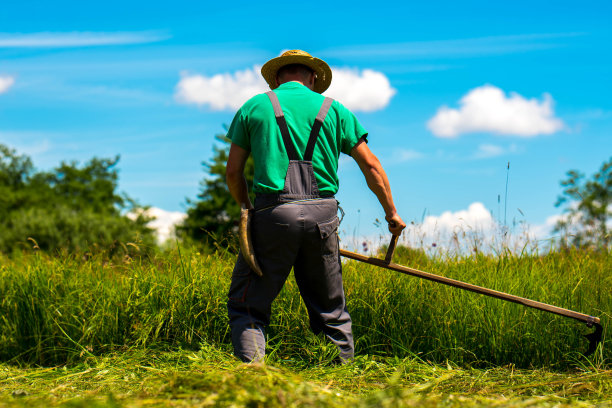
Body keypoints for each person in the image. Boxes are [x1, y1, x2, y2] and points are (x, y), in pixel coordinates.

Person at [225, 50, 406, 363]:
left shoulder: (254, 106)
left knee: (248, 304)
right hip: (323, 216)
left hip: (273, 214)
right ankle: (343, 382)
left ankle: (251, 378)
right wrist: (391, 214)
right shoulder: (334, 110)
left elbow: (233, 172)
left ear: (278, 77)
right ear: (312, 78)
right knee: (330, 310)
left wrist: (246, 209)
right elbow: (372, 166)